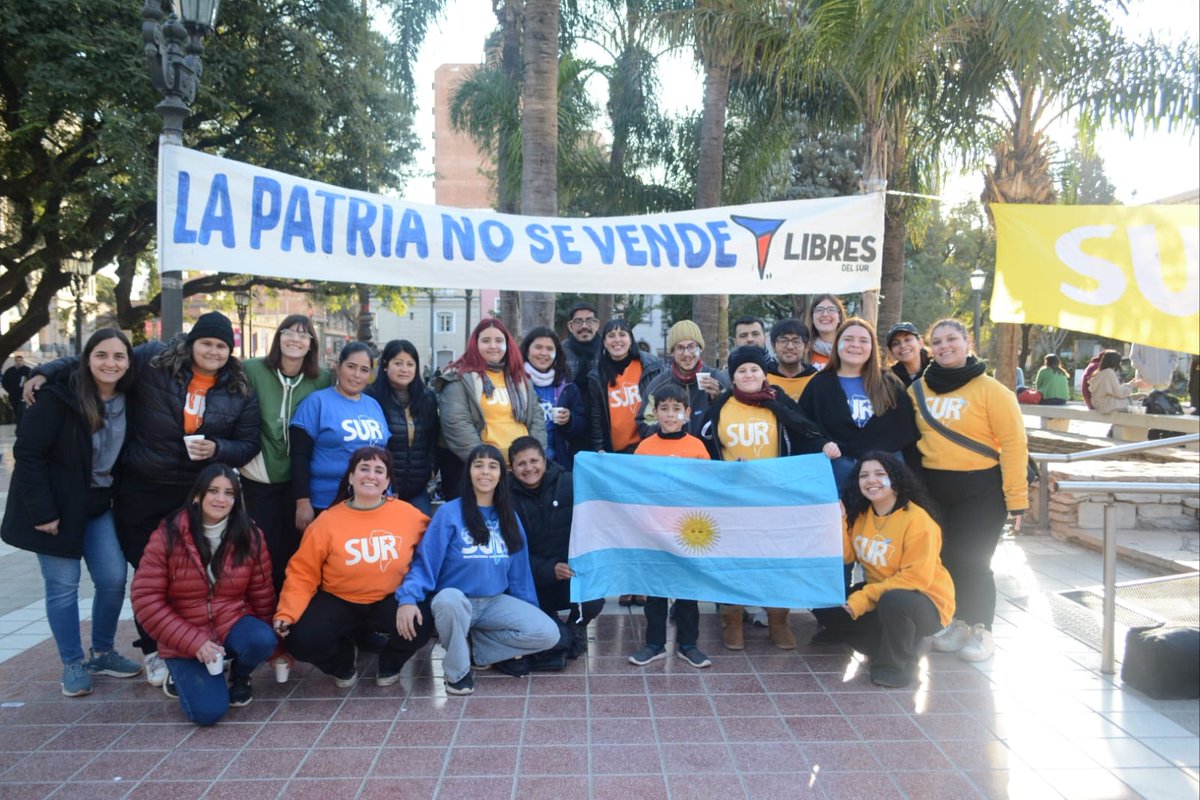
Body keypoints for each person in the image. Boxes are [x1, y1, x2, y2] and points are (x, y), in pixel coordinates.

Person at [25, 311, 261, 686]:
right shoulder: (155, 361)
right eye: (206, 343)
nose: (213, 351)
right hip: (142, 490)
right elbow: (103, 358)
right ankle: (153, 650)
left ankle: (193, 643)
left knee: (190, 575)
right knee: (147, 575)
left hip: (194, 497)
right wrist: (46, 371)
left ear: (229, 351)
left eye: (221, 346)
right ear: (192, 343)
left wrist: (219, 447)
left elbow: (249, 442)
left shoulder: (238, 387)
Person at [1, 330, 142, 696]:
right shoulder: (57, 397)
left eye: (118, 356)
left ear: (129, 362)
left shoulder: (131, 396)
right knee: (63, 587)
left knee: (112, 580)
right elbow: (28, 455)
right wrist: (43, 512)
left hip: (98, 505)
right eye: (101, 355)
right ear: (87, 358)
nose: (110, 363)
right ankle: (72, 662)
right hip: (57, 508)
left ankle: (103, 651)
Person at [395, 444, 562, 695]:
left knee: (549, 633)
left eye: (493, 466)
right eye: (478, 465)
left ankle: (478, 651)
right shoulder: (449, 513)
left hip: (494, 602)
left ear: (501, 475)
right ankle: (457, 674)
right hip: (455, 601)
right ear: (469, 472)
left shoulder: (508, 517)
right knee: (450, 599)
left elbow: (520, 574)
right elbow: (425, 562)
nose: (485, 472)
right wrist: (408, 598)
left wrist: (529, 612)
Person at [910, 319, 1029, 663]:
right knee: (946, 560)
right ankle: (957, 622)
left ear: (968, 341)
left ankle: (982, 629)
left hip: (981, 488)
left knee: (974, 561)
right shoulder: (918, 390)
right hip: (934, 488)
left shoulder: (992, 390)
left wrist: (1017, 499)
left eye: (952, 339)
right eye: (937, 341)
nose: (944, 346)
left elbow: (1014, 444)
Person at [274, 447, 433, 688]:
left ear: (387, 481)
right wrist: (287, 612)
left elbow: (435, 549)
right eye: (364, 469)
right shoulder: (327, 522)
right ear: (351, 476)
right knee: (301, 640)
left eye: (379, 471)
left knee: (423, 622)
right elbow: (302, 573)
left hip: (389, 598)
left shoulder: (409, 515)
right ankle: (343, 663)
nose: (371, 475)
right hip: (339, 599)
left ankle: (390, 663)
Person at [130, 465, 277, 725]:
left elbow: (261, 593)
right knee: (208, 713)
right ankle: (179, 674)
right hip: (183, 634)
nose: (221, 499)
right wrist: (194, 642)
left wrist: (273, 646)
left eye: (229, 493)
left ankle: (240, 676)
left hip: (229, 620)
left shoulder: (250, 535)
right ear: (197, 495)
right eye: (213, 491)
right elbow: (145, 600)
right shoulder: (168, 535)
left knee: (262, 639)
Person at [700, 345, 825, 650]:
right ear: (733, 377)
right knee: (734, 560)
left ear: (764, 372)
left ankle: (778, 620)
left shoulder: (777, 400)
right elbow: (704, 447)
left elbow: (805, 432)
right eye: (741, 370)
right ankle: (732, 619)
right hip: (734, 500)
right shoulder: (720, 406)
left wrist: (825, 448)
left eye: (754, 369)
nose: (749, 374)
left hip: (775, 498)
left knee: (776, 560)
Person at [811, 454, 954, 688]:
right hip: (881, 595)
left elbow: (915, 578)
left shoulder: (918, 521)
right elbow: (848, 555)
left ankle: (896, 667)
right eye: (864, 475)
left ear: (895, 479)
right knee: (823, 603)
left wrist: (864, 597)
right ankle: (895, 642)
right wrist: (840, 520)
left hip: (925, 600)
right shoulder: (863, 514)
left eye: (880, 474)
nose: (871, 480)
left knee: (894, 601)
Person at [241, 315, 332, 592]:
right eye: (289, 332)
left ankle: (291, 617)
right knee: (263, 551)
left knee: (296, 552)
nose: (295, 339)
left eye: (303, 335)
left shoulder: (323, 379)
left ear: (311, 344)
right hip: (261, 474)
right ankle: (264, 615)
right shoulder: (251, 370)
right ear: (278, 337)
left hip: (300, 479)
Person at [627, 385, 713, 669]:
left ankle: (688, 645)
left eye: (676, 408)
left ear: (687, 413)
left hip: (689, 532)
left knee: (688, 592)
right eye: (663, 408)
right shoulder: (645, 447)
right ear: (655, 413)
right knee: (655, 591)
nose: (670, 414)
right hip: (655, 530)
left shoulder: (697, 447)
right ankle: (655, 644)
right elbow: (634, 487)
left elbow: (710, 487)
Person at [508, 436, 602, 669]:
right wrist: (548, 569)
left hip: (569, 574)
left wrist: (603, 468)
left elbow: (597, 514)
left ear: (545, 459)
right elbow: (510, 553)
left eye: (534, 461)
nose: (529, 468)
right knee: (549, 634)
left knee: (595, 594)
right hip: (531, 581)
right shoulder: (504, 498)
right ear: (511, 467)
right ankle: (556, 629)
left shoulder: (570, 482)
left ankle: (576, 625)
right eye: (521, 464)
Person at [799, 318, 919, 492]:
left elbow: (906, 436)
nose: (855, 345)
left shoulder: (889, 383)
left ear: (872, 347)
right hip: (837, 479)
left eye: (863, 340)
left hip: (884, 478)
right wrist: (822, 445)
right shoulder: (819, 385)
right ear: (837, 344)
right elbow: (804, 432)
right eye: (848, 339)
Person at [290, 342, 388, 530]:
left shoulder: (374, 406)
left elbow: (385, 453)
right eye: (351, 367)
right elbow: (299, 457)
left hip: (371, 502)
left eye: (364, 370)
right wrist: (302, 502)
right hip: (326, 503)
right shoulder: (316, 402)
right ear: (338, 366)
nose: (356, 375)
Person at [437, 318, 545, 478]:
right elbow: (458, 425)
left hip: (522, 470)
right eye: (486, 340)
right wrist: (489, 466)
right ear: (475, 344)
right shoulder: (458, 378)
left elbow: (537, 422)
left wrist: (533, 461)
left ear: (507, 344)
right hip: (482, 472)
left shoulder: (520, 379)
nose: (493, 346)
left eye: (499, 340)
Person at [366, 339, 440, 515]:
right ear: (385, 365)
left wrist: (430, 471)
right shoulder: (372, 396)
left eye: (410, 364)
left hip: (417, 487)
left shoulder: (427, 398)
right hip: (382, 487)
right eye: (398, 363)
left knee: (421, 535)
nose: (404, 369)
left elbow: (433, 439)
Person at [638, 319, 728, 437]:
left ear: (700, 348)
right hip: (671, 453)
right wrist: (668, 427)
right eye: (680, 348)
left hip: (708, 454)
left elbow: (734, 422)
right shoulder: (658, 385)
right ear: (672, 352)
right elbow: (644, 425)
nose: (686, 354)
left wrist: (718, 399)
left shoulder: (719, 380)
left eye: (691, 346)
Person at [587, 318, 663, 454]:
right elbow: (596, 417)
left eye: (622, 334)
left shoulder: (651, 367)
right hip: (615, 453)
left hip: (647, 447)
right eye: (611, 336)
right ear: (604, 342)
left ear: (630, 339)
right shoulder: (597, 376)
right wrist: (599, 448)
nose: (617, 340)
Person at [520, 327, 585, 468]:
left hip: (557, 463)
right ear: (527, 351)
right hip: (523, 461)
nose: (544, 353)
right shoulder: (514, 382)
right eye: (538, 347)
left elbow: (581, 423)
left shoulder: (567, 385)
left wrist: (569, 420)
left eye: (549, 349)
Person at [767, 318, 818, 401]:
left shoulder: (817, 380)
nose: (790, 347)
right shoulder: (763, 379)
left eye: (796, 341)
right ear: (773, 346)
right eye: (783, 341)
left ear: (806, 347)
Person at [562, 301, 603, 390]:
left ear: (597, 324)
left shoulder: (607, 350)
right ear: (570, 326)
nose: (584, 326)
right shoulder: (561, 351)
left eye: (589, 321)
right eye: (578, 321)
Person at [806, 294, 847, 371]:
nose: (825, 314)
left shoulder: (850, 349)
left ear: (839, 317)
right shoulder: (804, 350)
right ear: (812, 317)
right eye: (819, 310)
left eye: (831, 309)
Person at [885, 322, 931, 388]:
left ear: (920, 343)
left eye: (907, 339)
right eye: (895, 343)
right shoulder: (889, 379)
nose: (903, 346)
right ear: (891, 352)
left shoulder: (938, 368)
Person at [3, 354, 32, 428]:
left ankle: (20, 429)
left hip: (23, 396)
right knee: (16, 412)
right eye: (17, 361)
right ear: (15, 362)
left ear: (23, 361)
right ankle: (20, 427)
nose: (19, 362)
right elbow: (4, 382)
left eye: (20, 361)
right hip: (13, 396)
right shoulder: (10, 371)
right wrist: (9, 390)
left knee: (21, 412)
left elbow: (31, 381)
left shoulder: (27, 370)